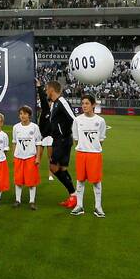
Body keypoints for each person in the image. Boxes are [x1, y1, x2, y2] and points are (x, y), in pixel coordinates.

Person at [41, 81, 77, 209]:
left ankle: (74, 194)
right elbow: (54, 123)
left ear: (51, 90)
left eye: (46, 89)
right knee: (62, 168)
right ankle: (72, 196)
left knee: (53, 167)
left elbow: (74, 118)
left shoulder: (61, 101)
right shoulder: (55, 104)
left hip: (62, 140)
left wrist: (74, 135)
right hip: (59, 140)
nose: (46, 92)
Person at [70, 94, 107, 217]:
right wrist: (83, 147)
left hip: (95, 154)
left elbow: (101, 139)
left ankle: (98, 207)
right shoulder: (77, 120)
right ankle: (79, 206)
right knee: (80, 180)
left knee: (96, 181)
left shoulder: (100, 121)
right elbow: (76, 138)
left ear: (93, 105)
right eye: (83, 103)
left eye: (87, 103)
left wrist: (92, 147)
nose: (84, 106)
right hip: (81, 153)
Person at [13, 104, 42, 210]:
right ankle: (17, 200)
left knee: (31, 181)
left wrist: (38, 157)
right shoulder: (16, 127)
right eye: (20, 114)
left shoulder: (34, 127)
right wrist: (14, 156)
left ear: (29, 115)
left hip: (30, 157)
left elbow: (38, 143)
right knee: (18, 180)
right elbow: (14, 142)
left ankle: (32, 201)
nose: (22, 116)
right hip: (19, 157)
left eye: (25, 114)